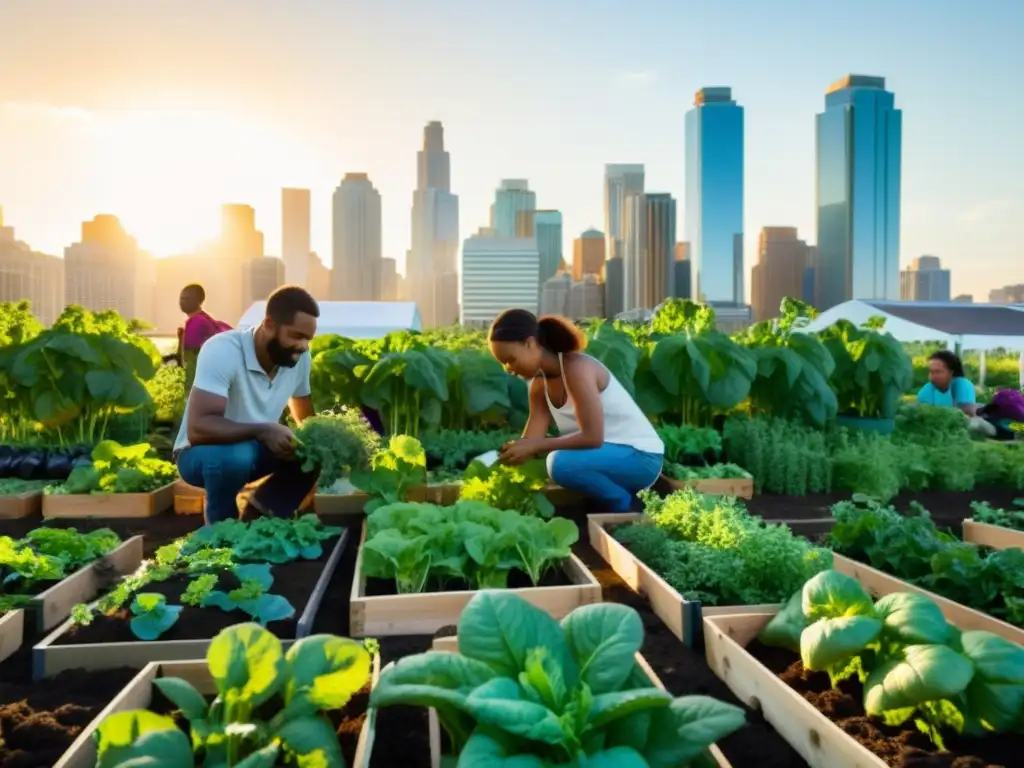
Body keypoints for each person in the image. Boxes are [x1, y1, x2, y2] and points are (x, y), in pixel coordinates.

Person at [488, 309, 664, 512]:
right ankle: (618, 499)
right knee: (554, 462)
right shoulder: (538, 383)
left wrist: (536, 446)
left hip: (641, 457)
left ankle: (625, 505)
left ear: (529, 343)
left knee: (559, 463)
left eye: (510, 359)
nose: (508, 369)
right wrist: (515, 453)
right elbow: (532, 438)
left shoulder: (577, 369)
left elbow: (592, 437)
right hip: (608, 457)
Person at [173, 285, 321, 524]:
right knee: (234, 456)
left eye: (308, 339)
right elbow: (199, 428)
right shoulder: (223, 350)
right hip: (199, 454)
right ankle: (220, 533)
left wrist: (330, 444)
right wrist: (263, 430)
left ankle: (258, 518)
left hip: (255, 449)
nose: (303, 346)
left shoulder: (300, 358)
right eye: (296, 336)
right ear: (270, 325)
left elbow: (307, 419)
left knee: (311, 453)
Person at [167, 284, 233, 393]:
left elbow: (190, 362)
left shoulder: (196, 323)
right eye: (181, 298)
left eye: (187, 298)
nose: (182, 302)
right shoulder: (205, 319)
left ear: (199, 300)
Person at [916, 350, 977, 415]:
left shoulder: (962, 384)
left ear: (951, 372)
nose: (934, 376)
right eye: (931, 372)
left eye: (938, 372)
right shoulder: (926, 390)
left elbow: (965, 414)